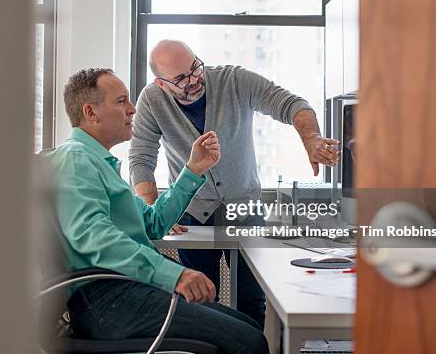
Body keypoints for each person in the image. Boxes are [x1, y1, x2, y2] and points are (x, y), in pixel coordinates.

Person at [49, 67, 269, 354]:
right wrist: (174, 275)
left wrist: (193, 169)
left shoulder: (98, 163)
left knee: (249, 327)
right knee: (248, 341)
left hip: (124, 292)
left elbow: (153, 223)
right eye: (121, 101)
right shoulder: (75, 159)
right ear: (91, 113)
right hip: (109, 300)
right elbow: (94, 238)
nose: (133, 109)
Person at [129, 40, 340, 328]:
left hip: (244, 209)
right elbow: (141, 159)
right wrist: (154, 209)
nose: (193, 81)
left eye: (195, 68)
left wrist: (312, 139)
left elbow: (292, 104)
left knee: (252, 296)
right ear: (162, 84)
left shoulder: (234, 80)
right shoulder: (152, 100)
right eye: (181, 79)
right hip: (192, 213)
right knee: (201, 296)